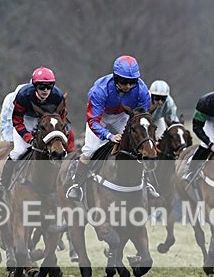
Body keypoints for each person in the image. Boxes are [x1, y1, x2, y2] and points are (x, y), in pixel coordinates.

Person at [65, 55, 154, 202]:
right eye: (124, 82)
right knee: (90, 149)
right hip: (101, 117)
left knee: (140, 144)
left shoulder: (142, 90)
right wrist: (109, 136)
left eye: (132, 82)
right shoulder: (100, 90)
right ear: (115, 77)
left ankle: (148, 183)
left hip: (123, 115)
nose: (128, 86)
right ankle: (77, 185)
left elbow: (141, 117)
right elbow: (93, 120)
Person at [0, 67, 67, 201]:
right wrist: (28, 138)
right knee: (18, 151)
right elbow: (17, 120)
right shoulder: (23, 95)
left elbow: (61, 118)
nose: (45, 90)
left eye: (49, 86)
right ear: (35, 86)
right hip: (26, 119)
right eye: (42, 87)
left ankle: (66, 185)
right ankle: (2, 185)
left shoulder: (57, 96)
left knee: (62, 151)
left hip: (48, 120)